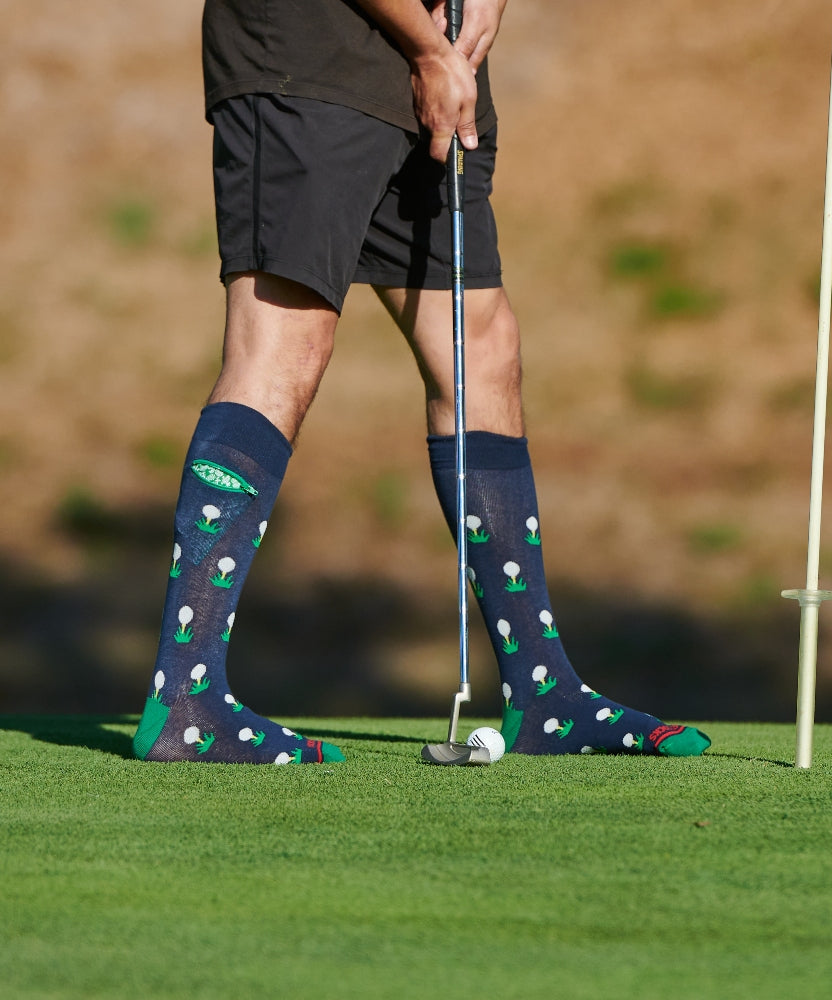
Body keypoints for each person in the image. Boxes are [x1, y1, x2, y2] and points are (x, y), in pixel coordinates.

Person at [132, 0, 711, 764]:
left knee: (483, 344)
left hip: (429, 69)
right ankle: (185, 699)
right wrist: (424, 42)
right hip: (309, 56)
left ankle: (544, 696)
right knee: (285, 337)